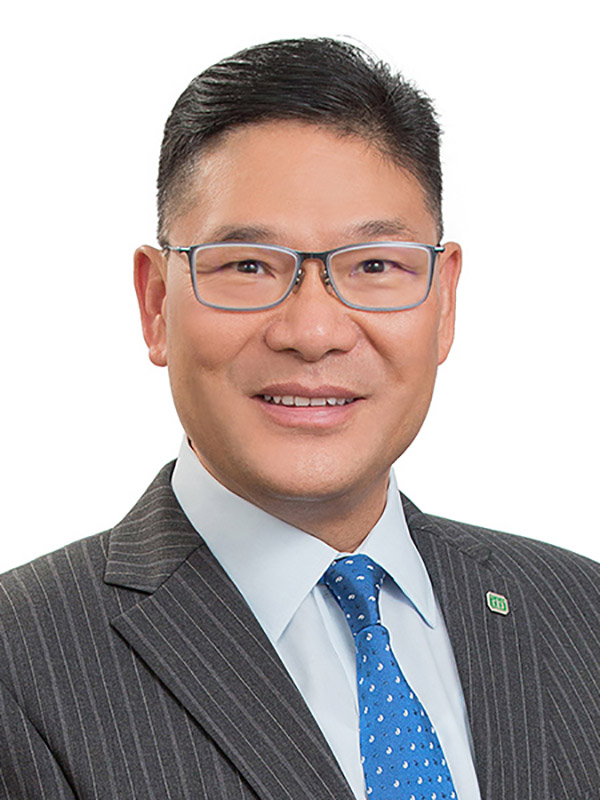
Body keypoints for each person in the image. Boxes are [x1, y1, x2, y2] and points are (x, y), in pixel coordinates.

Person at [1, 37, 598, 800]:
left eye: (374, 265)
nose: (313, 332)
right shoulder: (21, 662)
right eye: (248, 266)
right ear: (156, 304)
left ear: (444, 301)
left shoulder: (580, 611)